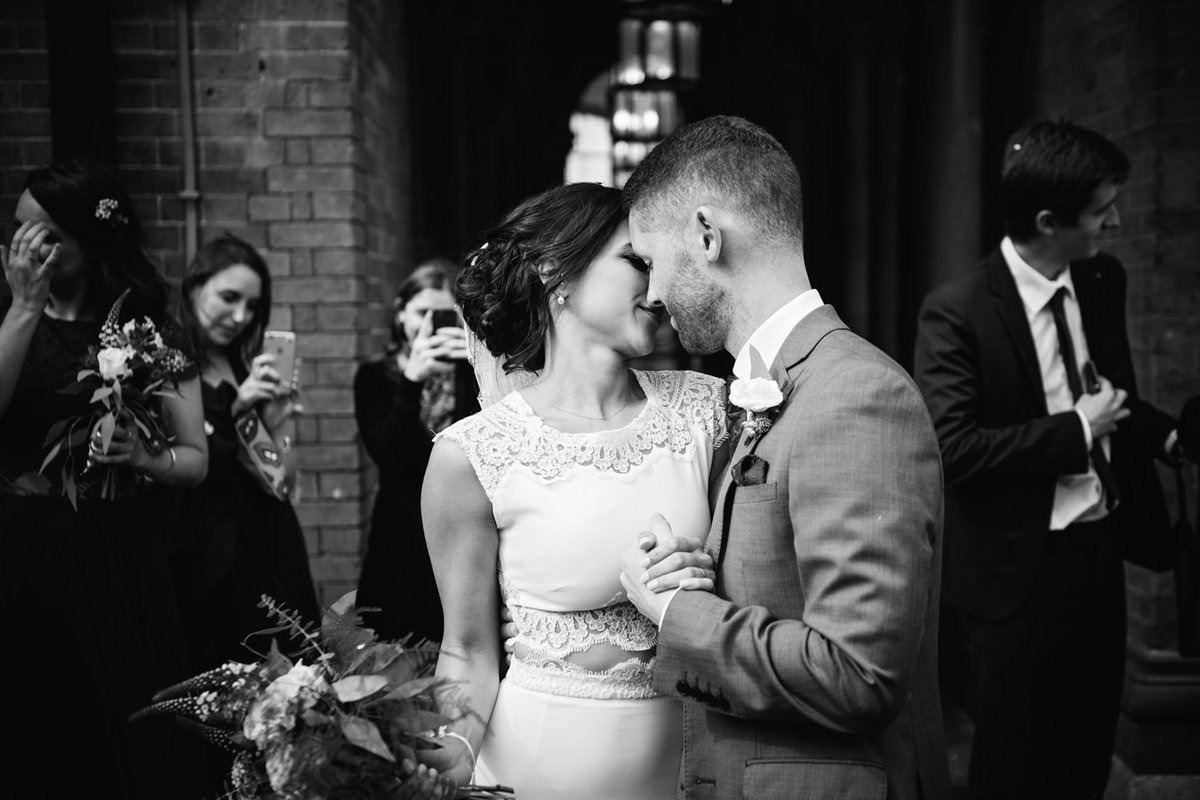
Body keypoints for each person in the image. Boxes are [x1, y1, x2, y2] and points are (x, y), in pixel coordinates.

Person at [617, 115, 952, 799]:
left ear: (706, 235)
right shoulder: (765, 387)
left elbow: (857, 674)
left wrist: (678, 612)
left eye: (650, 261)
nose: (650, 295)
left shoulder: (857, 394)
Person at [416, 182, 726, 799]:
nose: (658, 287)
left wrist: (703, 576)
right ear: (556, 271)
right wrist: (448, 759)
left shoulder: (707, 412)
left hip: (694, 764)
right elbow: (469, 651)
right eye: (636, 261)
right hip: (536, 768)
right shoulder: (471, 454)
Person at [912, 118, 1182, 800]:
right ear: (1047, 222)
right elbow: (955, 449)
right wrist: (1077, 430)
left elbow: (1111, 392)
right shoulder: (956, 310)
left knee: (1086, 750)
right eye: (1101, 210)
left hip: (1099, 551)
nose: (1115, 222)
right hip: (1014, 573)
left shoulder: (1102, 278)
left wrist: (1168, 437)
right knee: (1013, 763)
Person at [0, 159, 209, 798]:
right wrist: (24, 307)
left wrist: (144, 458)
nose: (20, 246)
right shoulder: (8, 309)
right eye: (16, 227)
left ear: (88, 242)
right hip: (23, 550)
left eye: (40, 233)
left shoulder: (150, 327)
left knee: (124, 722)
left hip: (117, 549)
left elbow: (195, 457)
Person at [173, 231, 320, 671]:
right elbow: (186, 467)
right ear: (194, 286)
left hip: (268, 535)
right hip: (208, 551)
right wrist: (237, 406)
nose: (241, 316)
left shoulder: (242, 365)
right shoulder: (169, 366)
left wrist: (276, 420)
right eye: (229, 298)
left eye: (252, 306)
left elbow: (279, 481)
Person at [354, 258, 478, 645]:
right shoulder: (374, 376)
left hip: (462, 526)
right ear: (400, 314)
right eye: (422, 313)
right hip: (399, 531)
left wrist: (476, 361)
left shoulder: (473, 372)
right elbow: (387, 455)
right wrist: (411, 381)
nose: (429, 325)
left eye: (443, 315)